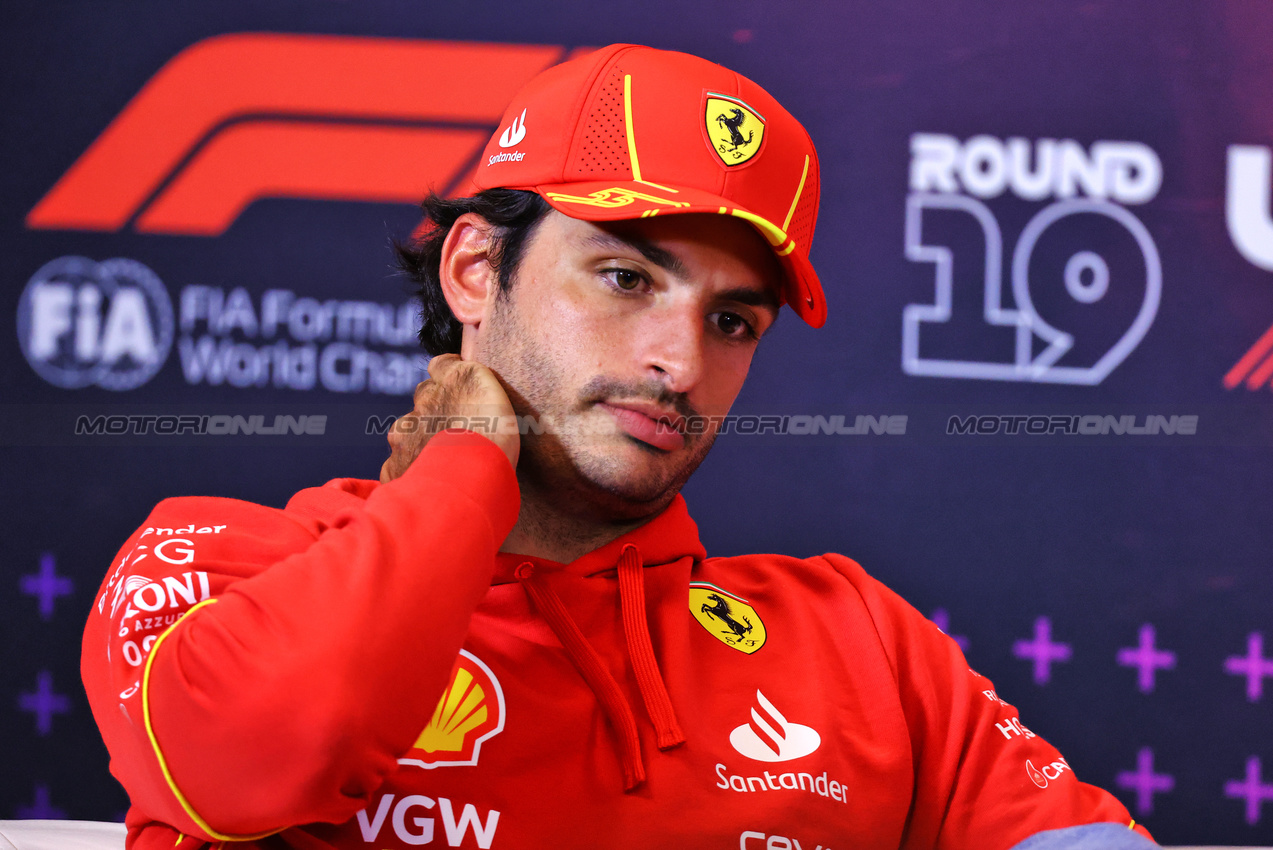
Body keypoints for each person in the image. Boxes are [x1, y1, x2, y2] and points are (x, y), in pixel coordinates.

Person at [82, 44, 1157, 850]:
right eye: (625, 277)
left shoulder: (862, 645)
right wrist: (466, 465)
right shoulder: (218, 565)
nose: (678, 363)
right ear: (473, 271)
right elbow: (266, 750)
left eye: (731, 321)